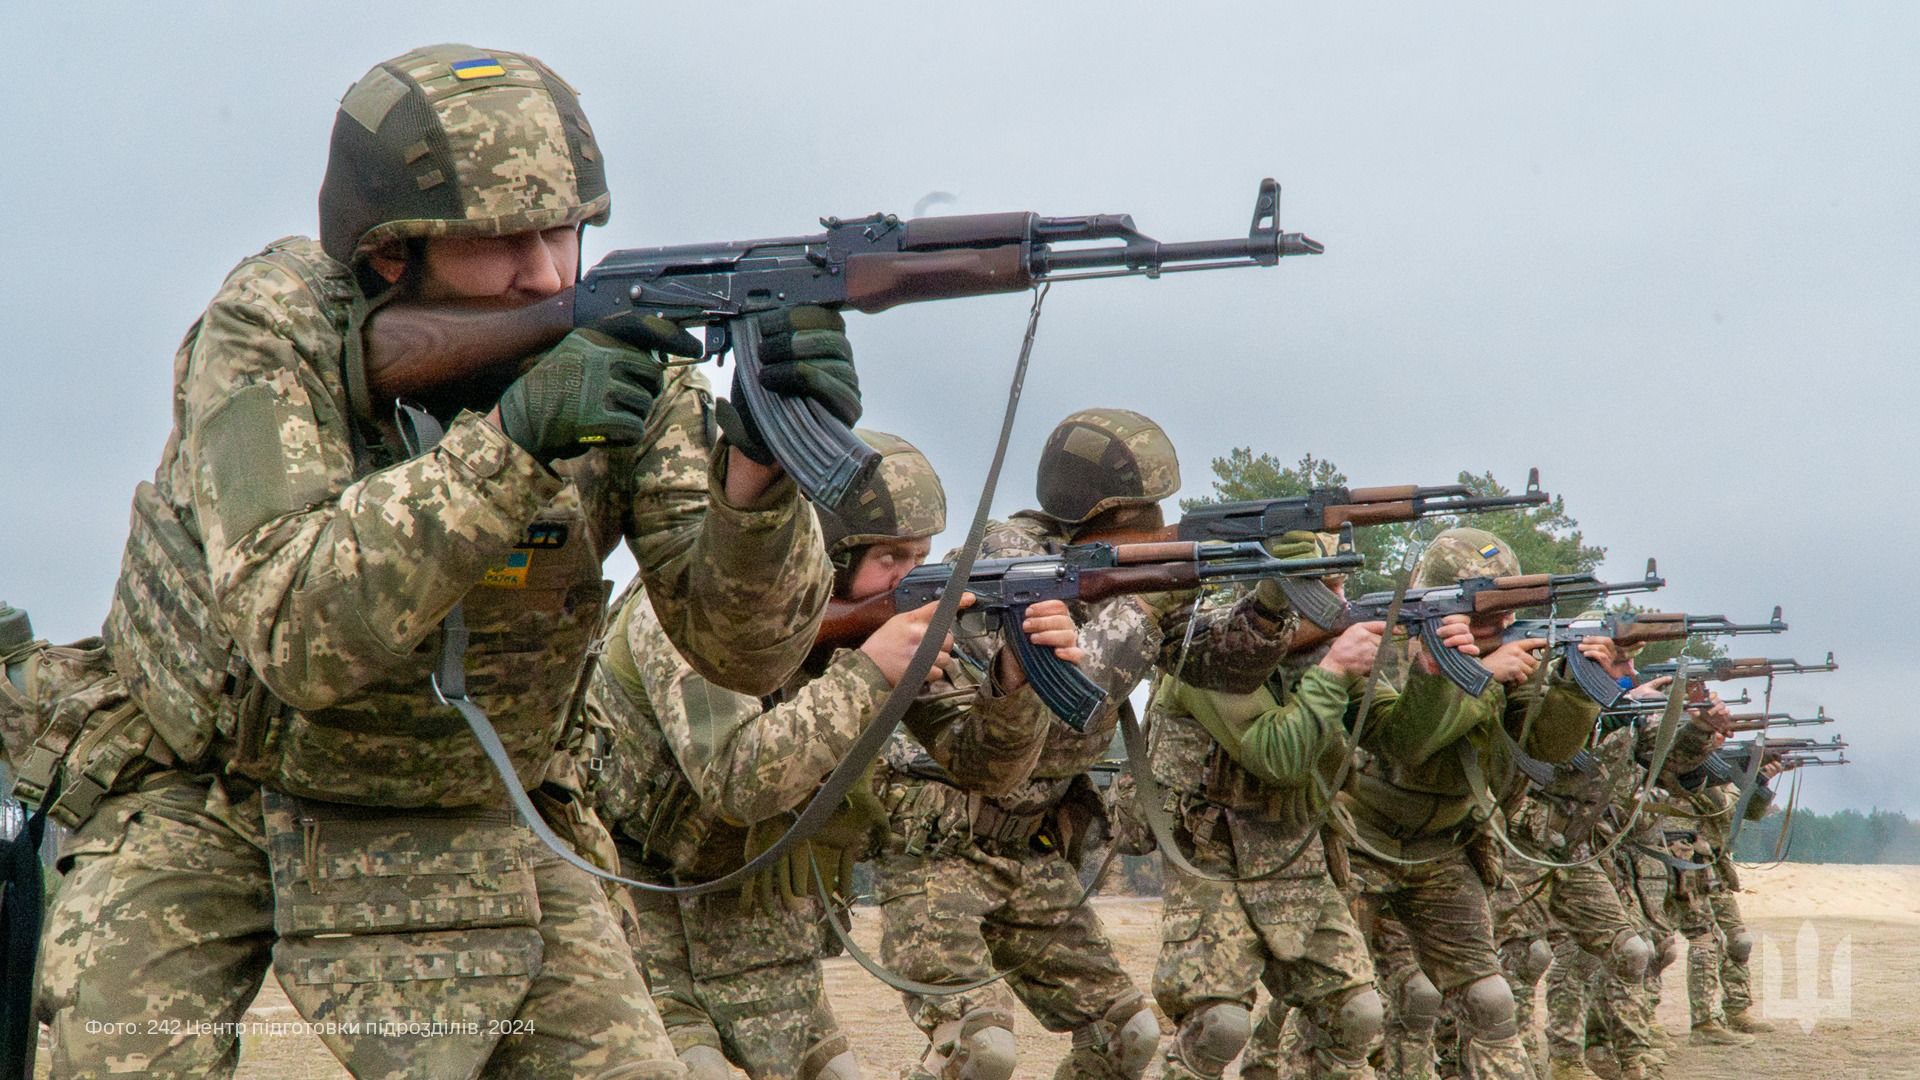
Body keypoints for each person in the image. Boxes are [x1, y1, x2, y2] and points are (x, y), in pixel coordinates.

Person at [33, 43, 860, 1079]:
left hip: (486, 806)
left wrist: (760, 482)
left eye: (564, 231)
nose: (550, 274)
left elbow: (741, 652)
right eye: (504, 242)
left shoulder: (621, 358)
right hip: (219, 798)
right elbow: (295, 633)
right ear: (391, 254)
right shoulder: (270, 334)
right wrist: (510, 444)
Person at [584, 430, 1080, 1080]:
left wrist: (1015, 686)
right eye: (890, 556)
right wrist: (871, 672)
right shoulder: (693, 603)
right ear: (827, 546)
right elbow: (737, 779)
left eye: (923, 556)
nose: (910, 578)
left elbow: (985, 768)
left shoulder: (883, 627)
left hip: (751, 907)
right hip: (629, 894)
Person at [871, 409, 1300, 1080]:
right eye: (1141, 515)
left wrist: (1271, 605)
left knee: (1126, 1033)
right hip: (939, 843)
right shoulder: (1002, 558)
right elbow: (1066, 699)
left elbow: (1216, 666)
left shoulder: (1132, 582)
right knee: (980, 1049)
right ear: (1091, 513)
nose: (1156, 524)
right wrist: (1149, 602)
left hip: (1029, 843)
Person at [1336, 528, 1608, 1080]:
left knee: (1490, 1000)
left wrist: (1582, 686)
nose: (1501, 626)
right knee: (1344, 1009)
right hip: (1360, 843)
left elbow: (1543, 749)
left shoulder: (1504, 652)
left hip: (1443, 847)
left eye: (1506, 611)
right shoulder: (1375, 645)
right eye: (1486, 612)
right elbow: (1404, 742)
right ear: (1439, 603)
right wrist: (1480, 675)